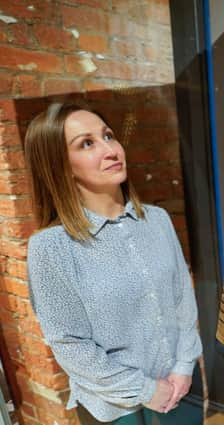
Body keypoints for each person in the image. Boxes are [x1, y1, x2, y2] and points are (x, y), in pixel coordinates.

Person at [24, 102, 203, 424]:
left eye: (109, 136)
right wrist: (146, 389)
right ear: (60, 165)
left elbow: (182, 300)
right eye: (87, 144)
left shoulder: (158, 220)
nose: (110, 149)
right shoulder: (51, 247)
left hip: (182, 386)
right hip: (118, 408)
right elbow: (69, 342)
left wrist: (184, 366)